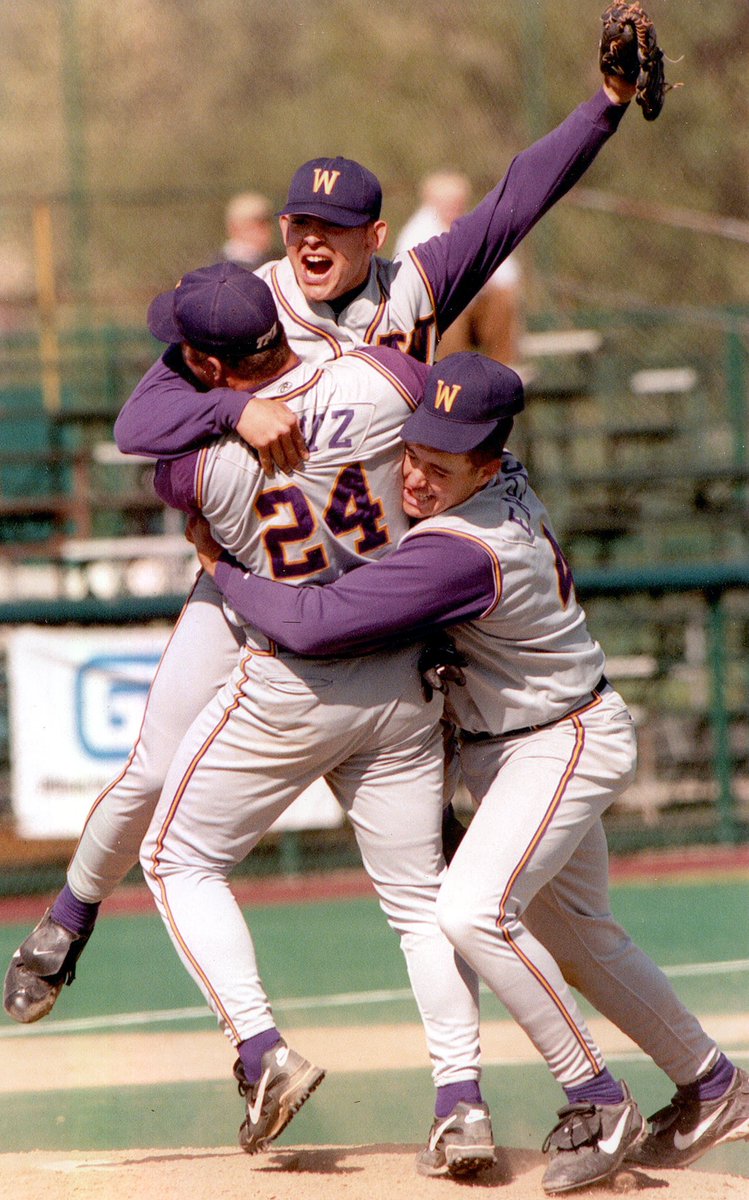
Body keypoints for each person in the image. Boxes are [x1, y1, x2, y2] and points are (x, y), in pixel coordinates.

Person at [4, 40, 642, 1034]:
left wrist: (601, 105)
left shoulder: (413, 288)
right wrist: (228, 415)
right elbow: (137, 425)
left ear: (371, 233)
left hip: (389, 577)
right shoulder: (247, 303)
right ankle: (67, 918)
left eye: (334, 226)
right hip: (260, 565)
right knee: (154, 766)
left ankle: (462, 1088)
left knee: (421, 846)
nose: (311, 239)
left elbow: (518, 198)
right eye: (301, 219)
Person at [185, 351, 749, 1192]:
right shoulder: (495, 473)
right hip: (528, 737)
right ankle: (713, 1087)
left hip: (555, 743)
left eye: (438, 465)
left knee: (472, 911)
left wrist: (221, 572)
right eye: (411, 452)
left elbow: (315, 622)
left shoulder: (466, 546)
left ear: (488, 463)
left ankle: (596, 1097)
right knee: (583, 941)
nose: (411, 476)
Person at [8, 263, 494, 1175]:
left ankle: (256, 1047)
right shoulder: (382, 378)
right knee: (417, 901)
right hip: (387, 653)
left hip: (282, 639)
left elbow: (154, 459)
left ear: (201, 357)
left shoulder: (199, 466)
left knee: (174, 847)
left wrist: (225, 427)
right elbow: (454, 417)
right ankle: (461, 1100)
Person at [394, 169, 522, 365]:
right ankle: (454, 378)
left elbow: (508, 274)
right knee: (449, 310)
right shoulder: (417, 234)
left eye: (459, 201)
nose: (455, 207)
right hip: (434, 314)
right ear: (431, 202)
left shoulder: (474, 223)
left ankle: (504, 371)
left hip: (474, 307)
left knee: (502, 298)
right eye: (448, 201)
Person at [219, 191, 275, 271]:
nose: (265, 229)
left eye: (267, 221)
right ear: (234, 227)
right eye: (257, 223)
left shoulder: (278, 260)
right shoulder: (218, 267)